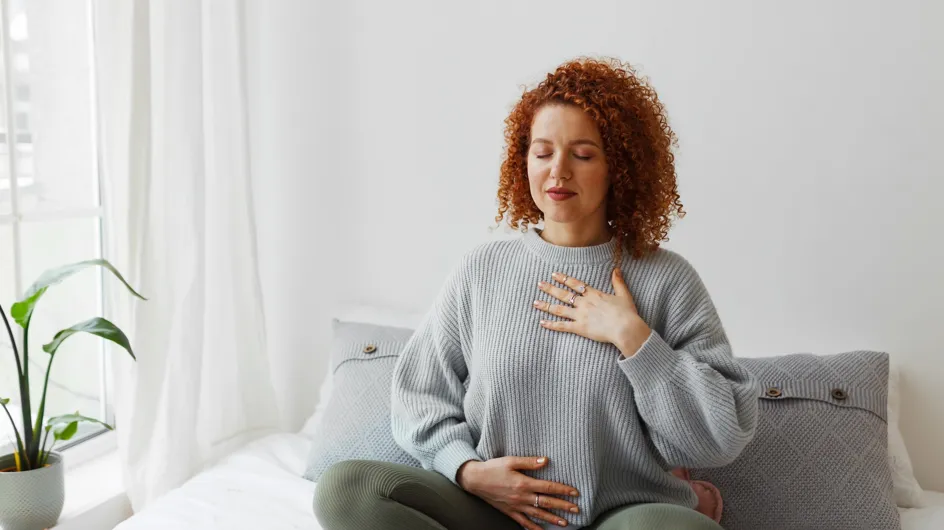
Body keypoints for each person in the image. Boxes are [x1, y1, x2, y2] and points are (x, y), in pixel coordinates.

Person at [314, 57, 759, 530]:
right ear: (522, 160)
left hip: (620, 516)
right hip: (493, 514)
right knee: (347, 490)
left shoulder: (666, 279)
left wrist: (634, 337)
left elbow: (721, 434)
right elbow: (419, 394)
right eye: (542, 152)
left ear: (619, 168)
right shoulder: (481, 272)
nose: (558, 172)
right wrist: (467, 471)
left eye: (583, 155)